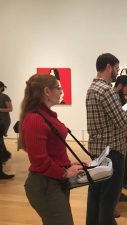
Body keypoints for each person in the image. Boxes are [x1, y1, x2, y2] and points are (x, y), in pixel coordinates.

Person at [19, 74, 84, 225]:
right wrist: (64, 172)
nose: (61, 91)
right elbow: (39, 161)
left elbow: (53, 150)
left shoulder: (45, 114)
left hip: (54, 181)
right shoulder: (35, 119)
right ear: (47, 91)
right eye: (59, 88)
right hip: (45, 184)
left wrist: (67, 165)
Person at [86, 53, 127, 225]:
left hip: (97, 151)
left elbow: (109, 118)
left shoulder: (91, 88)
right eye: (116, 68)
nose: (117, 73)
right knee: (109, 200)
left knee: (95, 196)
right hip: (112, 152)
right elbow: (122, 120)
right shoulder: (107, 90)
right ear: (109, 67)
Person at [0, 81, 14, 179]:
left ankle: (4, 156)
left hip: (3, 121)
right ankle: (4, 156)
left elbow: (10, 109)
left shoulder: (5, 97)